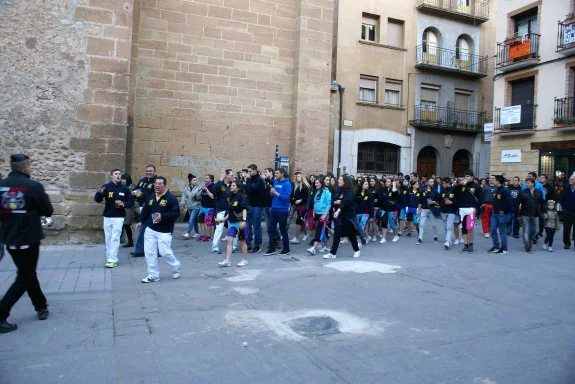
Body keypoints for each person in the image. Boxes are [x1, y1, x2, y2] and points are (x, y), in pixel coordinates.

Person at [0, 154, 53, 333]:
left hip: (9, 238)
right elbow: (47, 210)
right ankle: (1, 313)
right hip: (28, 238)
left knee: (27, 272)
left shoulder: (2, 186)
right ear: (25, 167)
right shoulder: (32, 186)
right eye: (29, 165)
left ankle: (41, 305)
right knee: (24, 277)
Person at [138, 177, 182, 283]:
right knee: (149, 252)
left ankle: (176, 266)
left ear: (164, 185)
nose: (156, 185)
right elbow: (145, 210)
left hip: (165, 230)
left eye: (159, 184)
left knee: (164, 252)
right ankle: (153, 275)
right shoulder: (151, 196)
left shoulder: (171, 198)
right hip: (150, 229)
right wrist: (141, 221)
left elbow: (176, 213)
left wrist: (162, 216)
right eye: (155, 183)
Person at [94, 169, 134, 268]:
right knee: (108, 238)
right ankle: (109, 258)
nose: (118, 175)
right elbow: (97, 200)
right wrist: (99, 193)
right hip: (108, 216)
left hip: (119, 217)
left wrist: (123, 204)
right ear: (111, 176)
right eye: (116, 174)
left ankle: (112, 259)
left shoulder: (124, 188)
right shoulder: (106, 187)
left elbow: (131, 202)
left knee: (115, 238)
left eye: (119, 174)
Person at [323, 175, 361, 259]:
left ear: (345, 181)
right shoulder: (338, 190)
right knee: (337, 234)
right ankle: (333, 253)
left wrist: (339, 204)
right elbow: (333, 201)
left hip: (348, 216)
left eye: (340, 179)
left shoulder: (350, 192)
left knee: (351, 234)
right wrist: (338, 202)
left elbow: (345, 202)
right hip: (339, 217)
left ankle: (357, 250)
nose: (338, 181)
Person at [218, 181, 250, 267]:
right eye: (231, 185)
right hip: (232, 222)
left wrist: (244, 221)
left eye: (233, 185)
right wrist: (223, 219)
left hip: (240, 222)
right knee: (229, 241)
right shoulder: (231, 197)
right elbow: (230, 211)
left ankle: (244, 260)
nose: (231, 187)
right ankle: (227, 261)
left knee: (242, 241)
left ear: (238, 187)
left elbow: (244, 209)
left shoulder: (242, 197)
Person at [453, 170, 483, 253]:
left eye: (468, 176)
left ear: (472, 177)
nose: (466, 178)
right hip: (462, 209)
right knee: (463, 228)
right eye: (465, 176)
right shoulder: (460, 186)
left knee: (470, 228)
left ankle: (470, 244)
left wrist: (476, 208)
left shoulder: (476, 186)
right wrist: (457, 184)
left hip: (471, 210)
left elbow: (481, 198)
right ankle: (465, 245)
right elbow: (454, 195)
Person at [264, 168, 293, 256]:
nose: (275, 175)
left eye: (277, 173)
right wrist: (271, 193)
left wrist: (276, 193)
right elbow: (272, 194)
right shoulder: (276, 182)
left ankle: (286, 249)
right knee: (270, 228)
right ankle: (271, 248)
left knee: (283, 230)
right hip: (274, 208)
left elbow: (285, 198)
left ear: (282, 174)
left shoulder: (287, 184)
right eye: (275, 173)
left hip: (282, 210)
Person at [131, 164, 157, 257]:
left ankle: (156, 251)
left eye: (150, 171)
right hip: (143, 208)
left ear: (154, 172)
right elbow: (136, 189)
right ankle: (140, 250)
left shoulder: (157, 181)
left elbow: (155, 195)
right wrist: (134, 193)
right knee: (143, 229)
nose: (149, 172)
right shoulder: (142, 180)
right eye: (147, 171)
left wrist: (142, 196)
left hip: (153, 209)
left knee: (155, 230)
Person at [488, 175, 513, 255]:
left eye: (494, 179)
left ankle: (504, 248)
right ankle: (496, 246)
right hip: (494, 213)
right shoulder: (496, 189)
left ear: (498, 181)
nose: (492, 180)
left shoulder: (505, 190)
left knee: (502, 231)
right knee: (492, 229)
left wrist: (504, 211)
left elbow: (510, 203)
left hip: (502, 214)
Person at [307, 177, 332, 255]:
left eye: (317, 183)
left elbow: (329, 204)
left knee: (319, 231)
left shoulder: (327, 192)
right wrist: (314, 211)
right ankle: (327, 246)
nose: (316, 184)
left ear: (321, 183)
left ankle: (313, 248)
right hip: (317, 213)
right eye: (315, 183)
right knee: (323, 232)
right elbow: (315, 202)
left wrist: (325, 214)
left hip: (323, 214)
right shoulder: (317, 191)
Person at [518, 177, 544, 253]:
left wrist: (543, 212)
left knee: (535, 230)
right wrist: (518, 214)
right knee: (526, 230)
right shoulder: (523, 192)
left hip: (535, 213)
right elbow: (518, 203)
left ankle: (530, 239)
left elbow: (542, 202)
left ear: (532, 183)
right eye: (526, 183)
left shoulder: (538, 191)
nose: (526, 184)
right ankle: (527, 245)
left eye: (528, 183)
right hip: (525, 213)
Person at [245, 164, 266, 254]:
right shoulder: (250, 180)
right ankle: (248, 244)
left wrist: (248, 180)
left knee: (256, 226)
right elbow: (247, 190)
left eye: (250, 171)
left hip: (257, 205)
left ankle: (257, 245)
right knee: (247, 226)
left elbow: (252, 189)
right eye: (248, 171)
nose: (248, 173)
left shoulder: (259, 180)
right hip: (249, 205)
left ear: (255, 171)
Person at [211, 169, 234, 254]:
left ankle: (234, 246)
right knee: (219, 228)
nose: (233, 176)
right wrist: (221, 179)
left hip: (231, 211)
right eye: (231, 175)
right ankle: (215, 247)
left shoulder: (233, 185)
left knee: (233, 227)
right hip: (220, 210)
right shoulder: (220, 184)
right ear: (226, 175)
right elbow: (213, 190)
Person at [418, 178, 440, 245]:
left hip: (432, 210)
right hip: (424, 210)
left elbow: (438, 202)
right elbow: (420, 201)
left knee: (433, 225)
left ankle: (435, 236)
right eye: (431, 182)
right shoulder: (422, 191)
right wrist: (419, 210)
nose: (432, 183)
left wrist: (434, 202)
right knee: (421, 224)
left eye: (433, 182)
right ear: (427, 182)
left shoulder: (435, 191)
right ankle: (420, 238)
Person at [289, 172, 310, 244]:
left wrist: (301, 200)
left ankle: (296, 238)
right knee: (302, 221)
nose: (297, 178)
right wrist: (293, 200)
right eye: (296, 176)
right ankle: (306, 234)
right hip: (298, 207)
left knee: (298, 221)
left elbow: (308, 197)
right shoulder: (297, 186)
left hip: (303, 207)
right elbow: (294, 196)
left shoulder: (305, 186)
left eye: (298, 176)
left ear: (302, 177)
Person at [439, 177, 459, 250]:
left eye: (444, 183)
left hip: (452, 211)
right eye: (442, 183)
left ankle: (447, 242)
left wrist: (452, 202)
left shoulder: (454, 190)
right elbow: (439, 201)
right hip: (443, 211)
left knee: (449, 226)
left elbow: (458, 201)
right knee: (445, 227)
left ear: (448, 183)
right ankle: (449, 240)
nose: (442, 185)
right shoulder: (442, 191)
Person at [181, 173, 202, 240]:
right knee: (194, 220)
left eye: (196, 180)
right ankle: (197, 233)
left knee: (191, 220)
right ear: (190, 181)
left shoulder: (199, 188)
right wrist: (182, 204)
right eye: (194, 180)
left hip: (196, 206)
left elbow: (201, 197)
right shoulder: (186, 188)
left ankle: (187, 233)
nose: (195, 181)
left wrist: (196, 197)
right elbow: (184, 197)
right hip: (189, 206)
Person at [198, 175, 215, 242]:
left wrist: (206, 190)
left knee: (208, 223)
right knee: (201, 221)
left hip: (210, 208)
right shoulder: (204, 186)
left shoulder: (213, 186)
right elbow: (197, 195)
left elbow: (212, 196)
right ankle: (202, 235)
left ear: (211, 179)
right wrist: (202, 189)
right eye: (204, 178)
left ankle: (209, 236)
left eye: (207, 178)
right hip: (202, 207)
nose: (205, 179)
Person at [120, 173, 136, 248]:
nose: (122, 180)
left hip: (128, 208)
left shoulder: (131, 187)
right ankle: (120, 240)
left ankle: (130, 241)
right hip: (121, 207)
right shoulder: (120, 187)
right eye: (122, 179)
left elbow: (133, 197)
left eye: (124, 179)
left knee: (127, 224)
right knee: (121, 224)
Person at [537, 174, 554, 239]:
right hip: (538, 204)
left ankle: (541, 232)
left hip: (545, 204)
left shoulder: (549, 187)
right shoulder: (537, 185)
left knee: (542, 219)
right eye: (540, 177)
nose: (541, 179)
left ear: (546, 179)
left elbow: (551, 197)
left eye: (543, 178)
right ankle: (538, 232)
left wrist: (550, 205)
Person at [561, 174, 575, 250]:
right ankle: (567, 243)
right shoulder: (566, 189)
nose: (570, 180)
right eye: (570, 179)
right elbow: (562, 199)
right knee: (566, 229)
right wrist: (564, 207)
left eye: (572, 179)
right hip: (567, 213)